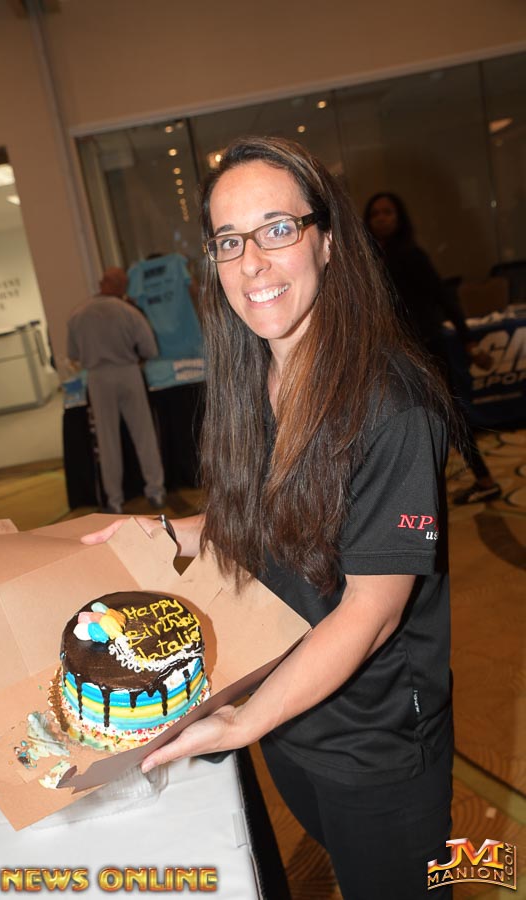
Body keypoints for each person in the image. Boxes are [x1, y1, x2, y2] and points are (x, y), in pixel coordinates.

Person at [83, 138, 455, 898]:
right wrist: (167, 532)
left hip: (375, 740)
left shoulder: (390, 403)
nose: (251, 261)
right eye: (229, 240)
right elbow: (257, 514)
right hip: (288, 706)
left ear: (327, 240)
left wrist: (244, 723)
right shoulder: (255, 373)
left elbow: (373, 613)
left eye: (277, 229)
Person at [364, 191, 502, 505]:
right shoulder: (373, 258)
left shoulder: (411, 255)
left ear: (400, 218)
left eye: (388, 212)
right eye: (375, 213)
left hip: (426, 347)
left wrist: (468, 341)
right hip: (398, 351)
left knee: (449, 416)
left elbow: (443, 297)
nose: (381, 218)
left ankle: (485, 480)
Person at [67, 266, 166, 513]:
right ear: (120, 285)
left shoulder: (78, 315)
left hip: (98, 377)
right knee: (144, 434)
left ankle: (114, 500)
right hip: (128, 371)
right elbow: (149, 348)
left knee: (107, 439)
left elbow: (73, 354)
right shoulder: (129, 312)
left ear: (102, 283)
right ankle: (155, 489)